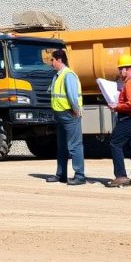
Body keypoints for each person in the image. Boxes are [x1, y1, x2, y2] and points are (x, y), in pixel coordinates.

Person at [105, 54, 131, 188]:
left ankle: (121, 176)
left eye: (120, 69)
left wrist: (116, 106)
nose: (120, 72)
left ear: (125, 69)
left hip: (129, 118)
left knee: (115, 143)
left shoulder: (130, 83)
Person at [46, 49, 86, 186]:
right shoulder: (58, 75)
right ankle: (61, 174)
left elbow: (72, 95)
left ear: (59, 60)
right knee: (62, 146)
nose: (51, 63)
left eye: (52, 60)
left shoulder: (68, 75)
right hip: (61, 115)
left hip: (69, 114)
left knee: (74, 145)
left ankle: (80, 175)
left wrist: (75, 110)